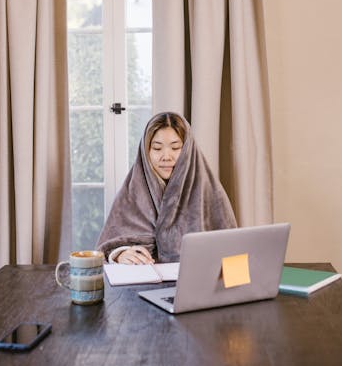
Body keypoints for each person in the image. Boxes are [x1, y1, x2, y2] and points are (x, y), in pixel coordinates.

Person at [96, 112, 237, 264]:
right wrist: (119, 255)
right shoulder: (130, 195)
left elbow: (234, 254)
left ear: (188, 151)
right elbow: (105, 249)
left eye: (175, 148)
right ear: (145, 152)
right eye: (157, 148)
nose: (166, 156)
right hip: (142, 285)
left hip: (197, 284)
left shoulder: (211, 193)